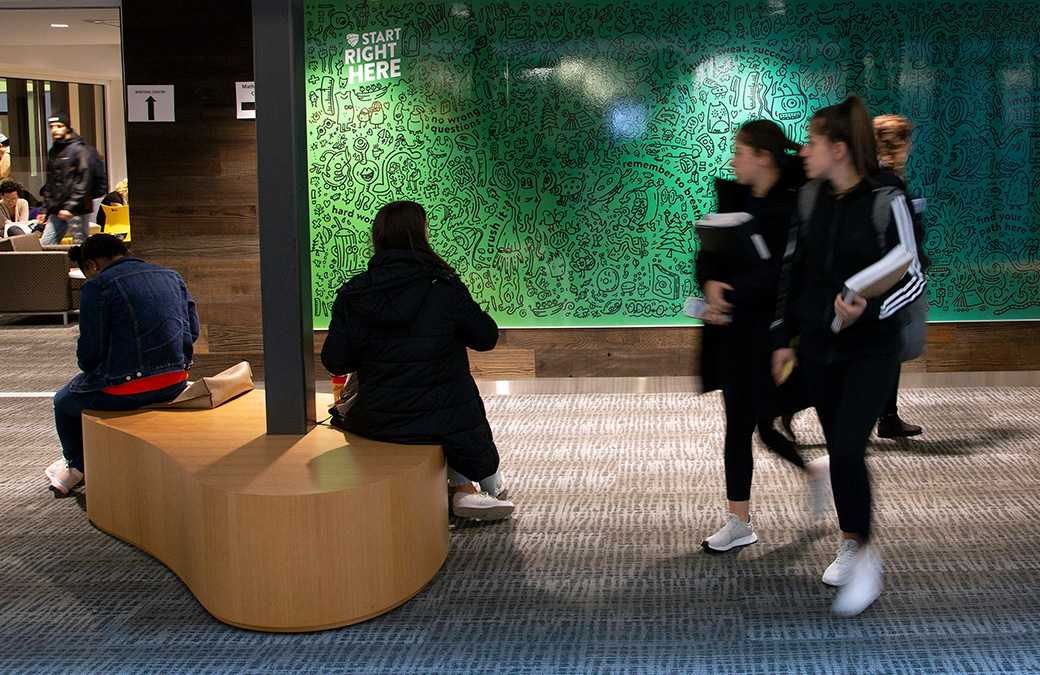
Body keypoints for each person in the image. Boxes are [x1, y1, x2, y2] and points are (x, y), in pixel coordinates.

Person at [771, 94, 924, 616]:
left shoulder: (888, 198)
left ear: (839, 149)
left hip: (871, 347)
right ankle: (851, 536)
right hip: (819, 346)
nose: (804, 152)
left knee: (849, 448)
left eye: (812, 143)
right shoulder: (811, 197)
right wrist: (780, 339)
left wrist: (872, 308)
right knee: (839, 449)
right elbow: (792, 272)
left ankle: (865, 555)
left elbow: (914, 274)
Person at [320, 200, 515, 521]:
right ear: (421, 235)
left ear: (378, 239)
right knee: (448, 414)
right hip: (445, 420)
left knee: (434, 413)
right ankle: (466, 487)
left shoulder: (353, 294)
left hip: (378, 421)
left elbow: (335, 360)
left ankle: (469, 486)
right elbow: (486, 337)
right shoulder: (444, 286)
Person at [697, 120, 828, 553]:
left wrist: (728, 293)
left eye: (740, 151)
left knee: (764, 423)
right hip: (734, 332)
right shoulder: (735, 198)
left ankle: (815, 473)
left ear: (764, 157)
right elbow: (709, 252)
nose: (733, 160)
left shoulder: (796, 205)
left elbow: (784, 276)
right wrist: (710, 285)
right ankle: (739, 521)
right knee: (740, 425)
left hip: (774, 335)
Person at [45, 234, 199, 494]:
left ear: (92, 265)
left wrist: (93, 370)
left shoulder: (99, 286)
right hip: (175, 381)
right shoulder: (171, 275)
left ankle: (76, 468)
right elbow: (191, 331)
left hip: (123, 388)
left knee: (63, 402)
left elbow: (90, 352)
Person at [873, 114, 928, 438]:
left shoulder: (882, 177)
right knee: (888, 345)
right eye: (906, 141)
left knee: (889, 347)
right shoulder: (888, 181)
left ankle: (888, 416)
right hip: (891, 275)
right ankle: (886, 417)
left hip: (888, 274)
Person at [37, 111, 94, 245]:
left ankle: (87, 266)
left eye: (58, 126)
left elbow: (84, 181)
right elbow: (50, 183)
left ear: (67, 127)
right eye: (51, 126)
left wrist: (70, 206)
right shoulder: (54, 151)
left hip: (77, 208)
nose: (54, 130)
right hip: (57, 208)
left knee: (80, 246)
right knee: (46, 244)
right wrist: (45, 209)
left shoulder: (79, 150)